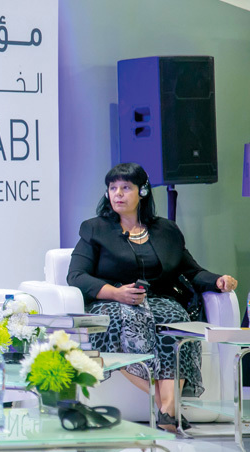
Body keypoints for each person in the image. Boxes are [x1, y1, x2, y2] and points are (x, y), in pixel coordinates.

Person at [67, 162, 237, 431]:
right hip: (111, 301)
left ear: (142, 191)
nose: (117, 194)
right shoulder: (94, 229)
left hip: (159, 300)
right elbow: (76, 275)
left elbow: (191, 270)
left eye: (125, 188)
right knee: (123, 320)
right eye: (112, 188)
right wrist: (116, 293)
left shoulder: (166, 230)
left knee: (175, 322)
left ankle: (166, 410)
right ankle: (169, 409)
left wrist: (217, 281)